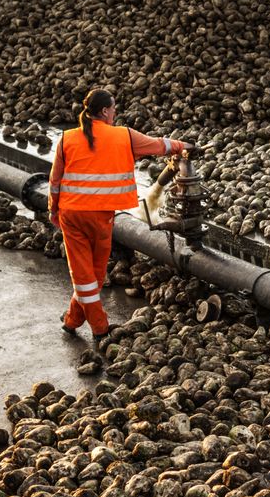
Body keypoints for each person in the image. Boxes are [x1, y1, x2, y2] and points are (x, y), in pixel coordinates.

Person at [49, 88, 190, 340]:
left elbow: (55, 181)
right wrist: (184, 147)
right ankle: (100, 328)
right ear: (104, 111)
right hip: (100, 216)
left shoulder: (67, 138)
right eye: (113, 108)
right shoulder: (123, 136)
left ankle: (72, 321)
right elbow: (158, 145)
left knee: (87, 274)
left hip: (71, 214)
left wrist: (53, 209)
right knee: (90, 274)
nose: (115, 113)